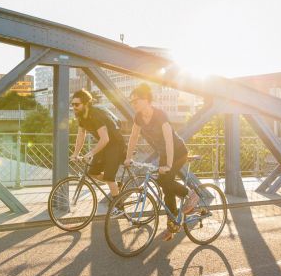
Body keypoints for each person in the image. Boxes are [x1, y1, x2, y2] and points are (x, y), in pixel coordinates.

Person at [124, 83, 199, 241]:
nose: (133, 104)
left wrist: (169, 165)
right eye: (131, 102)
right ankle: (173, 226)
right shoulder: (138, 117)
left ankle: (191, 194)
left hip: (178, 152)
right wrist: (128, 157)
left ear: (145, 99)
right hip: (164, 154)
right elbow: (133, 137)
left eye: (135, 101)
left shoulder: (160, 115)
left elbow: (169, 141)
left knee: (165, 182)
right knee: (166, 187)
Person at [70, 89, 126, 204]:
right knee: (93, 173)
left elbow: (105, 138)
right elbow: (81, 134)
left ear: (85, 103)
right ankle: (117, 185)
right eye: (72, 104)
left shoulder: (95, 115)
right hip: (104, 144)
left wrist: (90, 153)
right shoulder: (81, 116)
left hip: (115, 144)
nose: (74, 107)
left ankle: (119, 207)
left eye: (76, 104)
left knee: (109, 178)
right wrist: (75, 153)